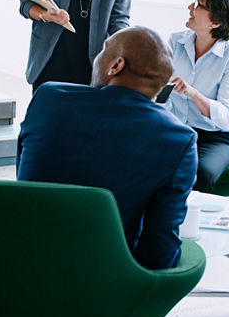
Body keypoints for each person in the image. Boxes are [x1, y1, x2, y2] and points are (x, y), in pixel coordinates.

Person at [16, 26, 197, 270]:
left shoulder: (49, 98)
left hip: (19, 262)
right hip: (106, 283)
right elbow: (159, 253)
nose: (96, 59)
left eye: (103, 50)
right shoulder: (179, 139)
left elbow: (23, 182)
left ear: (116, 66)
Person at [165, 0, 229, 192]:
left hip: (213, 139)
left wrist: (192, 93)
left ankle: (189, 223)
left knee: (201, 172)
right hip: (174, 131)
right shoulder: (175, 41)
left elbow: (226, 116)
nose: (190, 7)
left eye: (199, 5)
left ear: (216, 23)